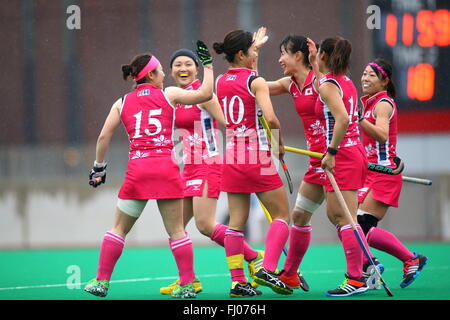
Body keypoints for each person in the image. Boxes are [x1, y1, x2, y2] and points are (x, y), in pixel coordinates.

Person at [83, 41, 214, 299]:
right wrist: (208, 66)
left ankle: (101, 282)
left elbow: (103, 137)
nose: (166, 74)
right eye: (161, 71)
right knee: (177, 231)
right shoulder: (171, 95)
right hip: (165, 168)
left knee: (118, 229)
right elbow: (206, 94)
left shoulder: (121, 102)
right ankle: (188, 285)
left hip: (138, 171)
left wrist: (99, 168)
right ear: (151, 75)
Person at [159, 48, 264, 296]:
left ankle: (253, 256)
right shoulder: (175, 97)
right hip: (187, 168)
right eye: (177, 65)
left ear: (197, 68)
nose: (182, 69)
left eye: (188, 64)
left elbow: (231, 124)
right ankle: (189, 280)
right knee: (176, 228)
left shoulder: (204, 95)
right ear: (171, 71)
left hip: (208, 164)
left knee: (205, 225)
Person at [213, 29, 293, 297]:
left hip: (232, 155)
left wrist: (255, 48)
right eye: (253, 50)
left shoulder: (221, 81)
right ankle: (267, 268)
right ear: (241, 54)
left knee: (235, 223)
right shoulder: (256, 81)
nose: (256, 53)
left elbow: (246, 81)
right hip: (256, 156)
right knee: (282, 215)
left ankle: (238, 283)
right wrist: (279, 145)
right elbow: (269, 118)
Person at [261, 34, 327, 291]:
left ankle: (363, 270)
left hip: (336, 158)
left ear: (298, 56)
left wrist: (317, 64)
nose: (279, 60)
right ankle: (289, 273)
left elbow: (335, 98)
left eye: (283, 54)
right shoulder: (290, 84)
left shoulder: (321, 80)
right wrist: (245, 64)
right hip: (316, 161)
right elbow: (257, 87)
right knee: (299, 216)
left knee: (344, 219)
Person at [307, 36, 371, 297]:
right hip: (352, 152)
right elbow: (323, 85)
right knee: (337, 215)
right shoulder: (343, 81)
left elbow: (343, 118)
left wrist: (331, 152)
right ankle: (362, 269)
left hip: (343, 154)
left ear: (324, 55)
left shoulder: (328, 86)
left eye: (319, 53)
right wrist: (314, 63)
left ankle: (356, 277)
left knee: (344, 217)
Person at [358, 58, 428, 289]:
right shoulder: (369, 103)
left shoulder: (383, 104)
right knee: (356, 224)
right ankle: (370, 265)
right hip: (369, 172)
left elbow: (382, 135)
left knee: (363, 225)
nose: (365, 78)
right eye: (364, 74)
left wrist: (356, 119)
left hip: (384, 173)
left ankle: (409, 259)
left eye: (371, 75)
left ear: (384, 81)